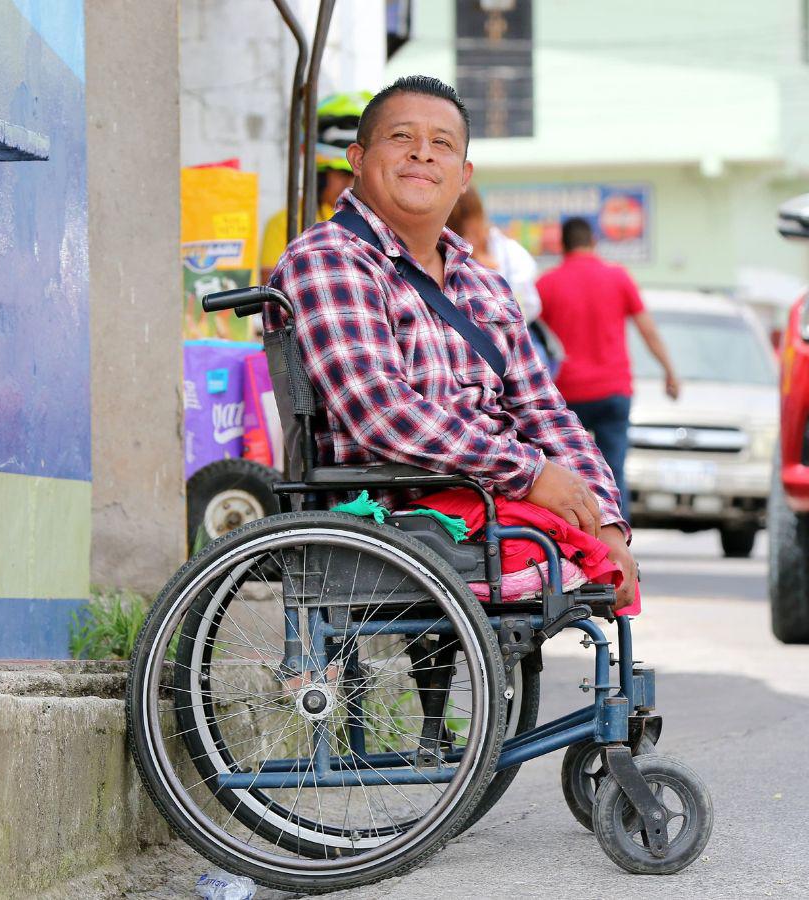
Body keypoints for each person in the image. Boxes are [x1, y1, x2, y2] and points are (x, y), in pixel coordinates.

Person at [266, 75, 638, 611]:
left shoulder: (484, 284)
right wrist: (530, 474)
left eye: (442, 143)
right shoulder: (328, 258)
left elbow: (545, 412)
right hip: (391, 512)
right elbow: (380, 411)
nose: (422, 153)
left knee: (601, 563)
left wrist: (603, 518)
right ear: (357, 157)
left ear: (463, 176)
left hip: (492, 503)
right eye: (401, 137)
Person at [536, 216, 680, 522]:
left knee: (564, 471)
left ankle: (574, 540)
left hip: (567, 395)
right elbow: (648, 330)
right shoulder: (618, 277)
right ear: (594, 242)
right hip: (613, 391)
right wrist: (669, 371)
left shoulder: (546, 284)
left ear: (562, 246)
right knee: (614, 470)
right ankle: (619, 542)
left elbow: (531, 341)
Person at [446, 189, 565, 376]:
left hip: (509, 347)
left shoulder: (507, 253)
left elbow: (529, 306)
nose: (469, 235)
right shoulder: (445, 256)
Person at [259, 91, 372, 283]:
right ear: (319, 175)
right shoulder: (285, 223)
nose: (349, 185)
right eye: (342, 174)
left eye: (357, 177)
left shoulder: (382, 224)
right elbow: (272, 293)